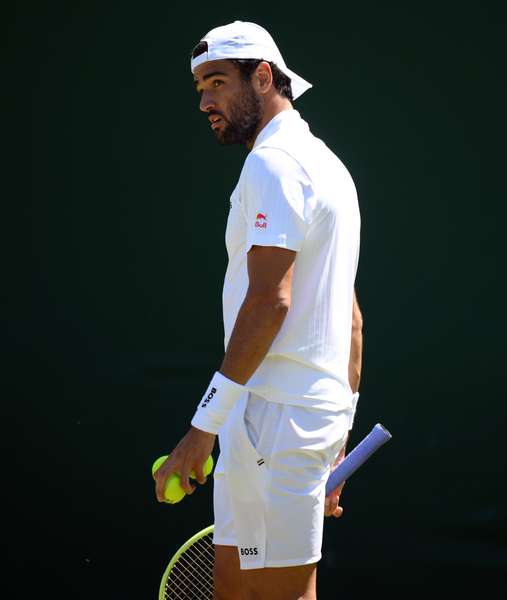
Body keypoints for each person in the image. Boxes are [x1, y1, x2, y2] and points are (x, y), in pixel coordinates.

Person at [153, 20, 363, 600]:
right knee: (235, 593)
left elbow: (270, 301)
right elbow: (351, 319)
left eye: (217, 83)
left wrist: (201, 430)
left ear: (264, 76)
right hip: (284, 424)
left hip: (276, 421)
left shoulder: (274, 164)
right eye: (200, 88)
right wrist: (337, 436)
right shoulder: (328, 166)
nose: (205, 101)